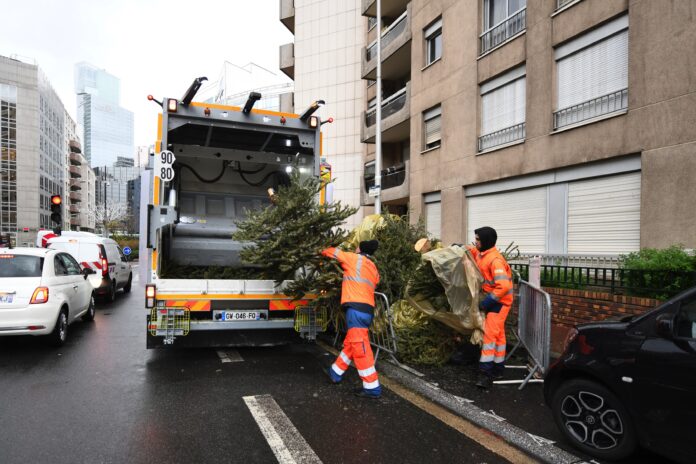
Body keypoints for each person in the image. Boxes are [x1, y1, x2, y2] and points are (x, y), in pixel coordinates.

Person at [321, 240, 382, 399]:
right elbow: (376, 281)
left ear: (360, 248)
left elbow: (334, 253)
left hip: (355, 309)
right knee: (351, 343)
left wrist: (320, 249)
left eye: (357, 246)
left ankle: (372, 387)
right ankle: (335, 372)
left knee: (360, 348)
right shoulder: (373, 267)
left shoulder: (354, 258)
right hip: (367, 311)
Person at [468, 227, 513, 390]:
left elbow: (504, 286)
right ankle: (498, 368)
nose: (476, 242)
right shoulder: (483, 254)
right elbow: (474, 251)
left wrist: (486, 302)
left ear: (485, 241)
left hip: (500, 302)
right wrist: (461, 247)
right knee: (498, 336)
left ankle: (485, 373)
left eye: (478, 239)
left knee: (489, 336)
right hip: (496, 300)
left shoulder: (495, 260)